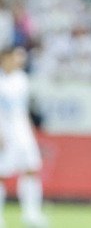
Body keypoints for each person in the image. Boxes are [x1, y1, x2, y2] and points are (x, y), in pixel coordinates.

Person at [0, 47, 47, 228]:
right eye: (15, 57)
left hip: (23, 132)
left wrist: (30, 131)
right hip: (5, 132)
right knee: (2, 174)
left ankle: (31, 213)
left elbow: (23, 109)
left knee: (31, 169)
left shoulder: (22, 79)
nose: (19, 60)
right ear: (5, 58)